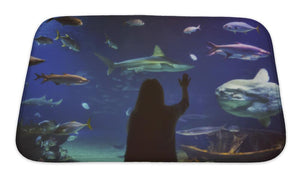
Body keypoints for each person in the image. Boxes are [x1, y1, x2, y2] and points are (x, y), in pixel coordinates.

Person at [125, 73, 191, 162]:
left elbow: (131, 147)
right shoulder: (169, 113)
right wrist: (184, 87)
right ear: (161, 94)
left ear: (141, 95)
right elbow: (185, 104)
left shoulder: (135, 115)